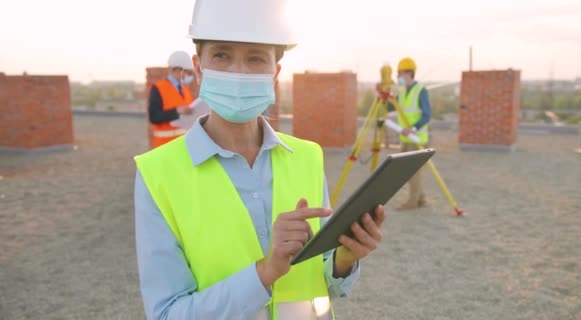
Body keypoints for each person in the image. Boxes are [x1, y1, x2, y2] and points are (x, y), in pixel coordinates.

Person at [133, 0, 386, 319]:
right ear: (199, 68)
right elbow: (167, 313)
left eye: (256, 58)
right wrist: (264, 273)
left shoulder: (307, 157)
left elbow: (322, 283)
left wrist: (344, 260)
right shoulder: (157, 175)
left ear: (275, 72)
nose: (239, 72)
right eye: (222, 55)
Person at [394, 57, 432, 210]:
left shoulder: (420, 90)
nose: (398, 77)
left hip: (417, 138)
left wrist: (414, 128)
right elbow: (393, 106)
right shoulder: (403, 92)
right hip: (405, 138)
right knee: (407, 170)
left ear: (409, 73)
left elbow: (427, 114)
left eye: (400, 73)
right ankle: (421, 198)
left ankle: (413, 202)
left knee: (412, 171)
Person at [147, 51, 195, 148]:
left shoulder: (185, 89)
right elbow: (154, 117)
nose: (190, 76)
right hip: (165, 146)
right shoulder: (158, 88)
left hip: (184, 145)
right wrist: (177, 111)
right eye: (188, 72)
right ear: (178, 70)